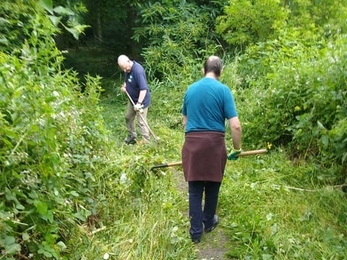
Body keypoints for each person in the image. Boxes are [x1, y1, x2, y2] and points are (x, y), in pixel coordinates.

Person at [181, 55, 242, 243]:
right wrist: (237, 148)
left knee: (194, 190)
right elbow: (236, 126)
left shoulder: (190, 90)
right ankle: (208, 222)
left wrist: (194, 140)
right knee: (213, 186)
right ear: (220, 72)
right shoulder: (224, 91)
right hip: (215, 145)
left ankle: (195, 232)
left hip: (192, 143)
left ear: (203, 70)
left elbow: (185, 122)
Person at [117, 55, 151, 144]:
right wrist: (125, 86)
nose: (125, 70)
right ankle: (132, 136)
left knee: (141, 122)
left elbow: (144, 89)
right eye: (123, 68)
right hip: (132, 100)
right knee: (128, 117)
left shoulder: (137, 71)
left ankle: (146, 141)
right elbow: (127, 80)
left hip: (141, 101)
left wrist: (139, 103)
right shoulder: (127, 68)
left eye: (125, 68)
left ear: (128, 61)